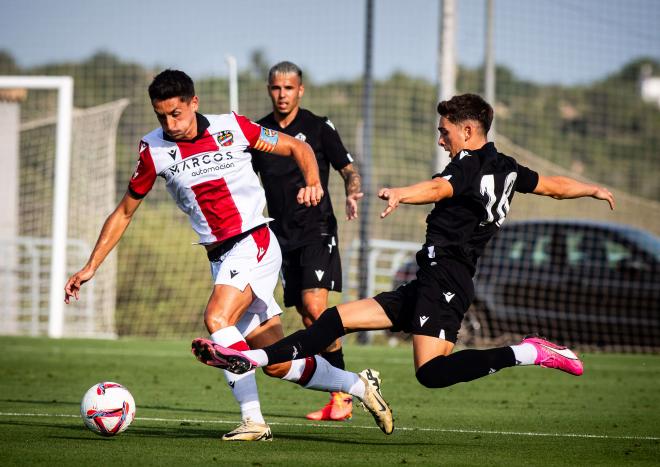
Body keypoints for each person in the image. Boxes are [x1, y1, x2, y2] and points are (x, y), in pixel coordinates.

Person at [192, 94, 616, 424]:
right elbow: (553, 185)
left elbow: (438, 189)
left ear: (468, 131)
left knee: (431, 372)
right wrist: (592, 188)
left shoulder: (467, 166)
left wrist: (400, 194)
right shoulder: (505, 166)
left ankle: (528, 352)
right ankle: (254, 358)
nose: (440, 139)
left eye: (444, 131)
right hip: (430, 278)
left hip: (447, 279)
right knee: (335, 321)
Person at [64, 69, 392, 441]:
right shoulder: (153, 150)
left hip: (254, 241)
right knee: (278, 363)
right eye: (161, 116)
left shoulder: (231, 127)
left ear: (194, 103)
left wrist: (314, 182)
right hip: (221, 258)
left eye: (177, 114)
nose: (170, 124)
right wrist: (92, 266)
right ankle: (358, 386)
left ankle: (254, 421)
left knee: (217, 317)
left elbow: (297, 147)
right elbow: (124, 211)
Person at [250, 61, 363, 421]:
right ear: (269, 90)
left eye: (289, 88)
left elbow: (348, 168)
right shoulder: (260, 132)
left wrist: (352, 193)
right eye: (275, 88)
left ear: (301, 90)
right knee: (307, 315)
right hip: (280, 238)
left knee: (316, 308)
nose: (282, 95)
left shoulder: (318, 127)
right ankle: (340, 389)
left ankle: (343, 396)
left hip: (317, 229)